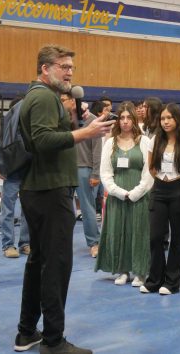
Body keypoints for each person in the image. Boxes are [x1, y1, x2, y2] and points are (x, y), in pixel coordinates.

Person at [15, 44, 113, 354]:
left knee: (39, 263)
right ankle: (54, 342)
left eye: (71, 67)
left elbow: (51, 139)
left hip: (41, 188)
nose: (69, 71)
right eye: (63, 66)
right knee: (56, 266)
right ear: (45, 69)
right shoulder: (43, 97)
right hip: (49, 191)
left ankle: (26, 332)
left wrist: (72, 118)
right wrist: (87, 133)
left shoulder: (42, 97)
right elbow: (44, 141)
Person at [96, 102, 153, 288]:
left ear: (135, 120)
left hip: (140, 194)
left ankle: (140, 271)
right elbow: (105, 172)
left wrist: (136, 192)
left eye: (129, 118)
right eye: (122, 118)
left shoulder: (144, 141)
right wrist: (118, 192)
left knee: (139, 232)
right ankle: (122, 270)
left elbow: (149, 171)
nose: (126, 121)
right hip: (117, 196)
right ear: (117, 120)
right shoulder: (110, 143)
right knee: (118, 230)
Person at [141, 103, 180, 295]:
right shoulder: (155, 140)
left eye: (169, 118)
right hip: (160, 189)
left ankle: (171, 282)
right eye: (162, 118)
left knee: (177, 237)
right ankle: (154, 279)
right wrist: (162, 180)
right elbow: (152, 167)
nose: (166, 122)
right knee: (155, 236)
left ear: (177, 119)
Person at [63, 92, 103, 259]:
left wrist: (95, 173)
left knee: (87, 208)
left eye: (65, 99)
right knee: (63, 209)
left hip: (84, 169)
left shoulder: (91, 118)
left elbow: (97, 148)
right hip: (64, 169)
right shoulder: (61, 118)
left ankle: (94, 243)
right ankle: (61, 243)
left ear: (74, 100)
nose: (62, 102)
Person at [0, 97, 31, 259]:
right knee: (8, 210)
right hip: (12, 171)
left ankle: (25, 243)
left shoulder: (30, 123)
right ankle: (8, 245)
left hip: (29, 170)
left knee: (28, 209)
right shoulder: (7, 123)